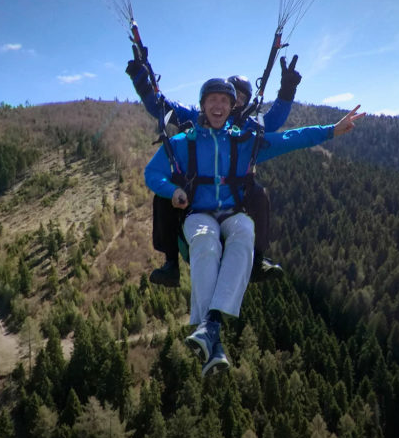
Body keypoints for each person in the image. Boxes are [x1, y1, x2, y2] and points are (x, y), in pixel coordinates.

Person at [144, 77, 365, 376]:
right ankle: (212, 331)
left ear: (233, 106)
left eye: (225, 101)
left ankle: (211, 330)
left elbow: (290, 139)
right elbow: (152, 173)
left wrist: (330, 131)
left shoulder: (244, 141)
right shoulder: (184, 143)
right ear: (203, 106)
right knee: (205, 240)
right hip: (198, 212)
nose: (218, 106)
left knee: (245, 231)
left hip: (233, 212)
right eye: (213, 101)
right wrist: (174, 192)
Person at [128, 54, 302, 286]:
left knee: (259, 195)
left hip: (234, 193)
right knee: (163, 199)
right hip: (195, 191)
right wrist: (141, 80)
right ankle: (170, 264)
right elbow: (161, 108)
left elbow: (273, 121)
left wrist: (287, 90)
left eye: (242, 98)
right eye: (233, 94)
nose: (237, 101)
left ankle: (258, 259)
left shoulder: (248, 125)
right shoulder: (196, 116)